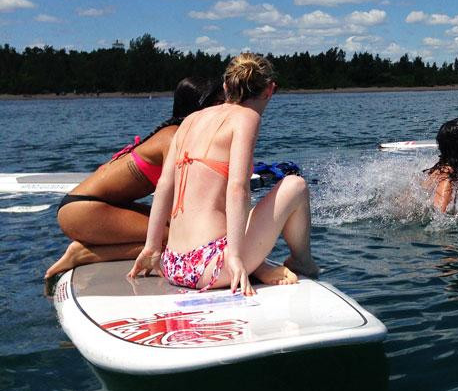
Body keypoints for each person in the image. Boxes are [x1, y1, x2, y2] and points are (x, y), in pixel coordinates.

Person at [130, 53, 317, 296]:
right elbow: (238, 187)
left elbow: (165, 185)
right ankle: (302, 261)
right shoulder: (247, 118)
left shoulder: (190, 120)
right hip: (212, 266)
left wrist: (152, 247)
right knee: (295, 185)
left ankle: (258, 266)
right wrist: (237, 257)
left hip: (173, 264)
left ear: (226, 86)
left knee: (241, 213)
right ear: (270, 90)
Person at [46, 76, 223, 279]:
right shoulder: (174, 138)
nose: (226, 109)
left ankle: (90, 249)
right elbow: (180, 203)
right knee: (175, 237)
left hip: (90, 207)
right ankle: (85, 254)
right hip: (83, 210)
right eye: (219, 103)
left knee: (176, 232)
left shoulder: (176, 133)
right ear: (198, 107)